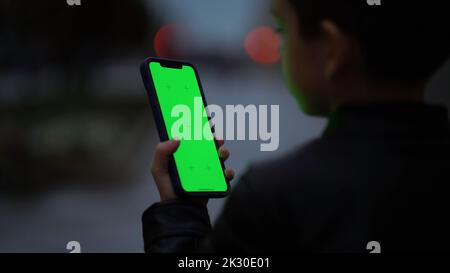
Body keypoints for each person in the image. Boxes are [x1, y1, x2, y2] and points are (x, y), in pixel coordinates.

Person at [142, 0, 450, 252]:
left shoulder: (271, 198)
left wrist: (181, 211)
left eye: (281, 30)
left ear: (333, 50)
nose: (279, 48)